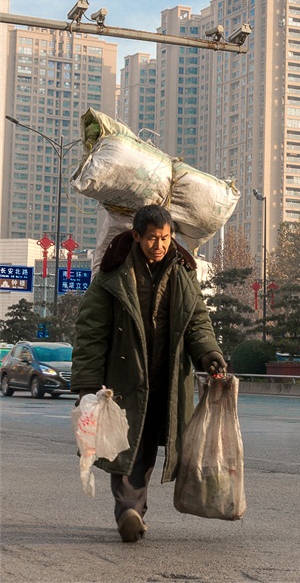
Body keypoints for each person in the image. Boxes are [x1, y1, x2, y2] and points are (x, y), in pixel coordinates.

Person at [71, 204, 226, 543]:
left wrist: (208, 352)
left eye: (166, 238)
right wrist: (86, 384)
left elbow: (197, 322)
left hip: (167, 379)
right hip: (123, 380)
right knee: (126, 447)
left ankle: (132, 511)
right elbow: (91, 333)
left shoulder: (183, 274)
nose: (159, 245)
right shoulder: (112, 277)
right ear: (137, 236)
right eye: (152, 238)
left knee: (148, 448)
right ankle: (129, 510)